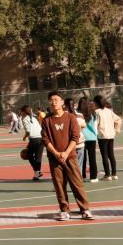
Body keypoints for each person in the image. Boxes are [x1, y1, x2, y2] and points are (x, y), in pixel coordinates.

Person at [42, 92, 94, 221]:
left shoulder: (70, 118)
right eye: (51, 100)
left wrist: (66, 153)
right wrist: (56, 153)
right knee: (59, 185)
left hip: (70, 156)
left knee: (77, 183)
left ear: (62, 102)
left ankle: (85, 209)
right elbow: (45, 139)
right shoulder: (46, 121)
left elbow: (75, 137)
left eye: (56, 99)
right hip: (55, 159)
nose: (53, 102)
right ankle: (64, 210)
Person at [93, 95, 121, 180]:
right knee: (111, 154)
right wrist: (116, 130)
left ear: (96, 103)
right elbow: (118, 119)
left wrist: (95, 136)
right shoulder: (109, 111)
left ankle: (107, 175)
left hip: (102, 136)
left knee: (104, 155)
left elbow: (95, 125)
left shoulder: (96, 112)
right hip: (111, 135)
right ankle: (114, 174)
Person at [20, 105, 44, 180]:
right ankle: (37, 174)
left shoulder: (25, 119)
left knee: (29, 155)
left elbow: (28, 131)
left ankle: (37, 171)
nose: (20, 113)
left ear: (23, 112)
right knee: (38, 157)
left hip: (34, 139)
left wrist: (24, 137)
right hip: (41, 138)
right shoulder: (34, 118)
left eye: (21, 112)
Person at [78, 97, 98, 183]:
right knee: (92, 158)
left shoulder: (79, 114)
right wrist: (96, 139)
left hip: (82, 138)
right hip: (92, 138)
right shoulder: (93, 113)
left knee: (82, 158)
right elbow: (95, 127)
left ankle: (82, 176)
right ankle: (94, 177)